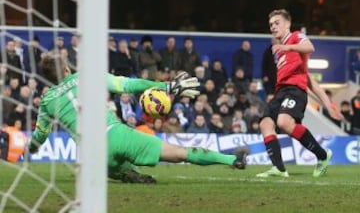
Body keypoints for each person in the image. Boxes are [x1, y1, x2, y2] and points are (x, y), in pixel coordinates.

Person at [26, 53, 248, 183]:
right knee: (181, 153)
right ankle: (232, 160)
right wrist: (167, 86)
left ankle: (126, 173)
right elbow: (131, 85)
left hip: (93, 157)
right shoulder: (87, 76)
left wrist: (33, 148)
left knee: (111, 167)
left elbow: (40, 135)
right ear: (65, 68)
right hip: (115, 134)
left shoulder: (47, 101)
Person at [256, 9, 343, 178]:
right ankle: (279, 169)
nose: (273, 27)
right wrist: (327, 103)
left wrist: (287, 46)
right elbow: (309, 78)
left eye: (277, 23)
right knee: (265, 124)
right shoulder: (280, 51)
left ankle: (323, 156)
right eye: (271, 25)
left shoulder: (295, 38)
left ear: (287, 24)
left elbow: (310, 47)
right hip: (280, 91)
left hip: (295, 91)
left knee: (283, 122)